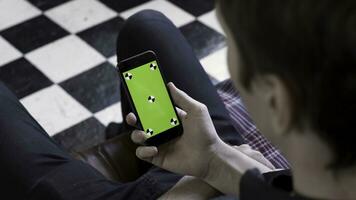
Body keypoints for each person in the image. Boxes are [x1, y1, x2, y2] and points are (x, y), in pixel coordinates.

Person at [0, 8, 274, 200]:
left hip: (185, 190)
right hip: (223, 165)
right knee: (147, 25)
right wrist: (216, 159)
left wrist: (198, 187)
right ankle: (136, 143)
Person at [128, 0, 356, 199]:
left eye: (230, 42)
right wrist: (213, 159)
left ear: (277, 102)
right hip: (205, 156)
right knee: (145, 27)